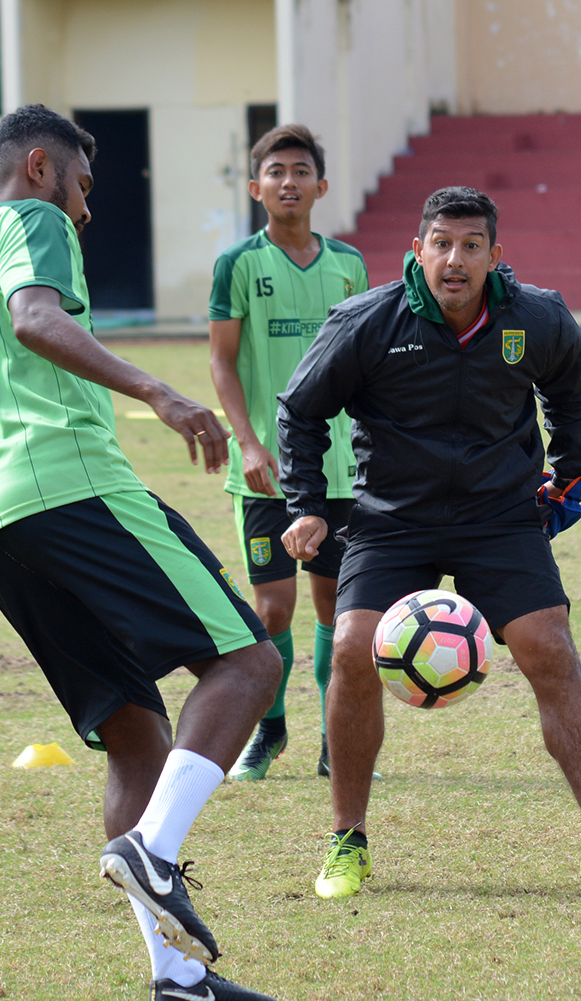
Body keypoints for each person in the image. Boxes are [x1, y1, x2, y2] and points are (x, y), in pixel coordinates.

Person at [0, 104, 282, 1001]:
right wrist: (161, 392)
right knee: (249, 660)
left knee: (135, 732)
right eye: (83, 186)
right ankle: (152, 849)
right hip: (70, 485)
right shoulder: (32, 221)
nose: (86, 210)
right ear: (36, 166)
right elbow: (33, 318)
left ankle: (176, 978)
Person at [275, 186, 581, 898]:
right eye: (441, 243)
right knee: (350, 647)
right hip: (391, 517)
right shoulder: (366, 322)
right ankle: (348, 838)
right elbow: (301, 410)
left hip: (498, 516)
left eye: (471, 246)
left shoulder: (537, 315)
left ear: (497, 257)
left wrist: (568, 463)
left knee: (550, 648)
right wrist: (308, 505)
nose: (455, 260)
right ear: (418, 251)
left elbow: (568, 384)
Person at [209, 124, 368, 781]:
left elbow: (364, 362)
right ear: (256, 188)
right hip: (268, 475)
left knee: (338, 609)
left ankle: (339, 741)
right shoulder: (239, 265)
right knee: (273, 608)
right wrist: (246, 441)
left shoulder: (348, 265)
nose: (289, 182)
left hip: (337, 472)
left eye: (301, 171)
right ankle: (270, 730)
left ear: (321, 186)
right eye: (275, 172)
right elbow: (221, 362)